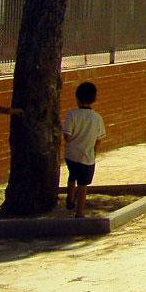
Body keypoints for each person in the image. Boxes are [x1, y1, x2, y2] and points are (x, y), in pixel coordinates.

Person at [63, 81, 106, 218]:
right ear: (94, 98)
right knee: (83, 185)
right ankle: (80, 212)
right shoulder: (97, 118)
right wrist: (94, 150)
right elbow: (99, 138)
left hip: (71, 155)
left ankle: (70, 199)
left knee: (72, 176)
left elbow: (67, 136)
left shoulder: (72, 114)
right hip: (87, 157)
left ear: (77, 98)